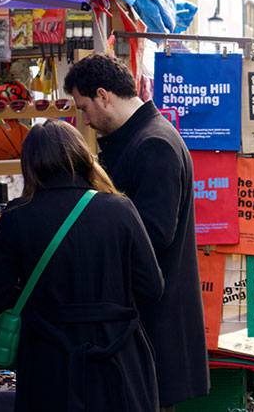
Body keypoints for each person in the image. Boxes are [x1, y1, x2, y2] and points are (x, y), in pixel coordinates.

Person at [0, 120, 164, 412]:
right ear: (80, 154)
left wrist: (35, 298)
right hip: (118, 356)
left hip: (48, 361)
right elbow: (152, 287)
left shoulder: (18, 215)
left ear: (30, 164)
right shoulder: (120, 209)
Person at [63, 54, 209, 409]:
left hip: (154, 325)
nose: (84, 119)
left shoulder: (152, 143)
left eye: (84, 107)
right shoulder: (145, 137)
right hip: (147, 322)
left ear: (103, 95)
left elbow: (153, 234)